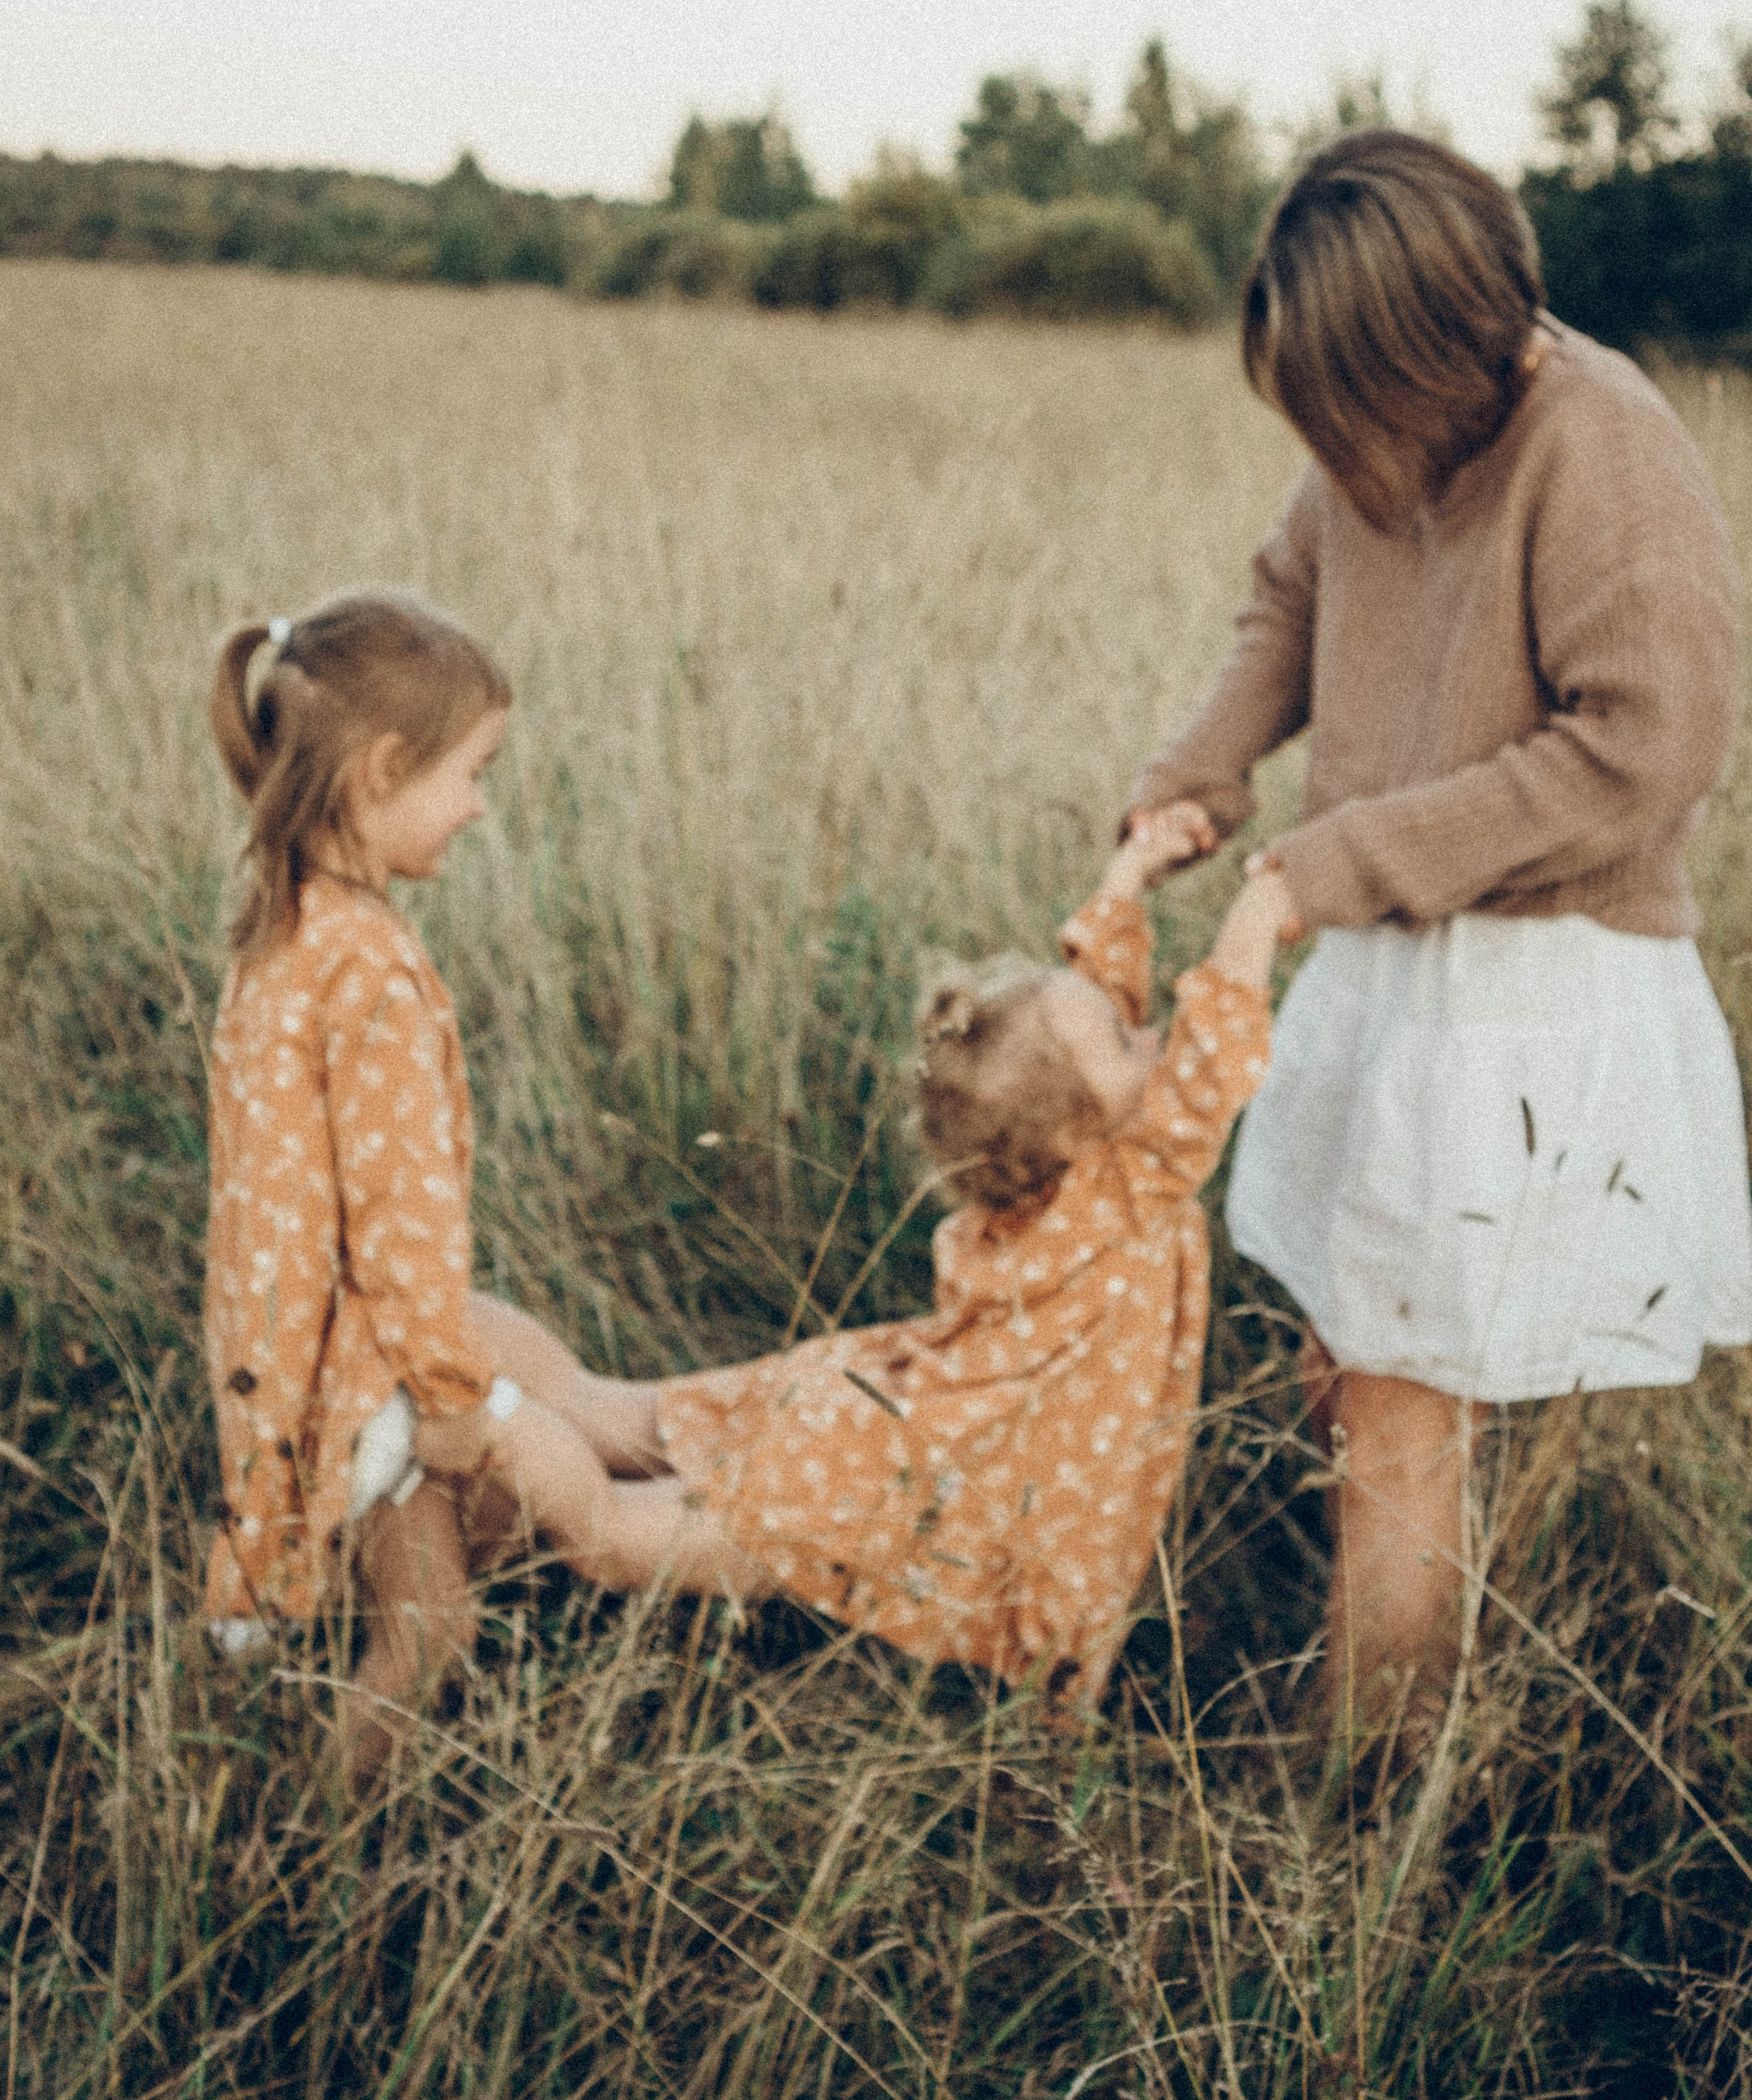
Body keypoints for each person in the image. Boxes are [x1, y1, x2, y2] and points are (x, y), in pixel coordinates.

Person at [1122, 129, 1752, 1730]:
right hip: (1386, 950)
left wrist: (1332, 863)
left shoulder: (1599, 443)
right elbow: (1290, 600)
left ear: (1443, 347)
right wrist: (1200, 777)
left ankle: (1370, 1808)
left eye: (1348, 409)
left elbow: (1642, 748)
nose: (1335, 448)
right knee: (1348, 1365)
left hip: (1529, 986)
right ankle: (1375, 1709)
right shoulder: (1374, 417)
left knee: (1399, 1406)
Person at [417, 808, 1297, 1705]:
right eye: (1125, 1041)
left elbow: (1095, 1017)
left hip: (869, 1406)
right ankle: (470, 1416)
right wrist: (1261, 907)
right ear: (1073, 1129)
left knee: (594, 1404)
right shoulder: (1125, 1182)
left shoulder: (1083, 1166)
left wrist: (1133, 875)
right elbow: (1208, 1062)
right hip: (888, 1473)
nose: (1151, 1039)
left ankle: (418, 1323)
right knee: (607, 1537)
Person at [203, 591, 621, 1765]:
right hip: (368, 1365)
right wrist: (443, 1399)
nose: (481, 804)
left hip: (282, 1346)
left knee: (403, 1610)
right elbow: (399, 1221)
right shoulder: (372, 972)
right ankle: (317, 1862)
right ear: (381, 774)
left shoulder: (285, 926)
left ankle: (243, 1761)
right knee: (429, 1635)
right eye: (472, 772)